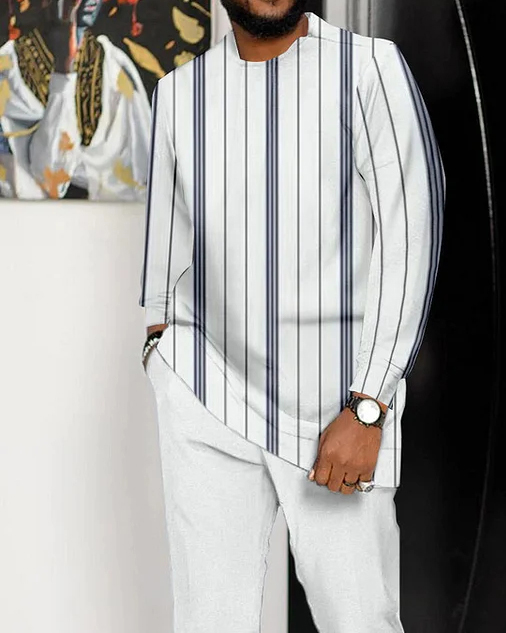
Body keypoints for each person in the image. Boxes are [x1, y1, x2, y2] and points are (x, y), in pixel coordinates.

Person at [139, 2, 445, 631]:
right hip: (207, 394)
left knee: (358, 620)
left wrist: (369, 405)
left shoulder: (368, 68)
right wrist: (162, 354)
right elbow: (167, 244)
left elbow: (411, 238)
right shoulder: (178, 93)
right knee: (208, 623)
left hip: (335, 411)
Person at [0, 0, 150, 200]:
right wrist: (63, 72)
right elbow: (51, 180)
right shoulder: (7, 69)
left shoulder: (114, 66)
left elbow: (143, 173)